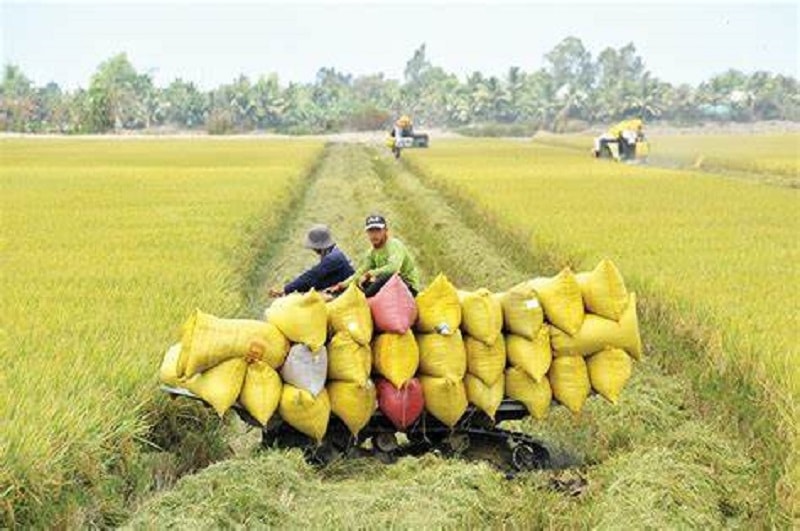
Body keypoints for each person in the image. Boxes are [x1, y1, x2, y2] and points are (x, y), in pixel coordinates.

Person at [329, 214, 421, 297]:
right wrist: (342, 285)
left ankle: (364, 298)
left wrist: (370, 274)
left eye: (378, 230)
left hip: (407, 287)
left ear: (385, 231)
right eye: (371, 231)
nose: (374, 235)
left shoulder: (394, 245)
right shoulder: (372, 252)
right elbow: (361, 271)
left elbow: (393, 268)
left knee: (386, 276)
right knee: (361, 283)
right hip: (388, 285)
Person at [268, 224, 354, 297]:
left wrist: (285, 290)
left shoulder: (332, 258)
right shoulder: (334, 252)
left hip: (349, 293)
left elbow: (311, 277)